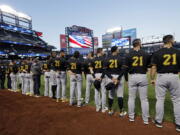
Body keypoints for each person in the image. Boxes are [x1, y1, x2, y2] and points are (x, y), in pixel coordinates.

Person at [151, 35, 180, 131]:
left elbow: (154, 67)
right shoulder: (178, 52)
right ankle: (178, 124)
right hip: (174, 76)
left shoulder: (157, 52)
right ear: (170, 41)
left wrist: (152, 78)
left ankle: (159, 121)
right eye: (173, 39)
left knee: (160, 99)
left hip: (161, 77)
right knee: (177, 100)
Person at [125, 39, 151, 124]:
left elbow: (125, 69)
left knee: (131, 98)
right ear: (139, 44)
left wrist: (126, 80)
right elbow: (149, 67)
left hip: (132, 76)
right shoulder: (146, 53)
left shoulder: (128, 54)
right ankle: (146, 120)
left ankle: (131, 117)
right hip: (143, 75)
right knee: (144, 99)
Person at [104, 46, 127, 117]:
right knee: (120, 95)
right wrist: (118, 78)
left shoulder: (107, 58)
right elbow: (124, 70)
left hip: (110, 78)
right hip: (118, 77)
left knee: (111, 95)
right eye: (118, 49)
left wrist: (111, 78)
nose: (118, 50)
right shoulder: (121, 58)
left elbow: (105, 70)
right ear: (115, 50)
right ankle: (121, 112)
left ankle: (110, 110)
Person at [89, 48, 108, 113]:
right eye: (102, 51)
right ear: (100, 52)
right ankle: (103, 108)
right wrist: (102, 77)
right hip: (102, 76)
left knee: (96, 92)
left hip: (95, 75)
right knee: (103, 92)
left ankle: (97, 107)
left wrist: (94, 77)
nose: (103, 52)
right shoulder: (104, 59)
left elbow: (91, 69)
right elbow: (105, 69)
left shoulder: (93, 59)